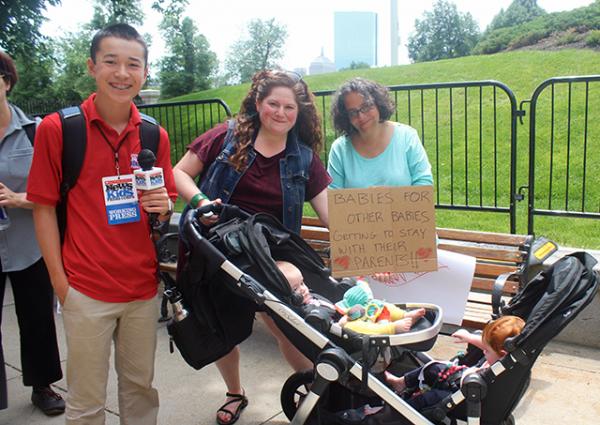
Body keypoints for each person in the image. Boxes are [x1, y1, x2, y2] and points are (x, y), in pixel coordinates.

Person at [26, 24, 176, 425]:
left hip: (142, 290)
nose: (122, 73)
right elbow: (42, 208)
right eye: (111, 62)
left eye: (133, 64)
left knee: (140, 391)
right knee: (86, 402)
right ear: (93, 66)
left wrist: (162, 207)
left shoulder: (152, 135)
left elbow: (162, 208)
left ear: (145, 72)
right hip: (86, 289)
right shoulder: (60, 129)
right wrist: (62, 285)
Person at [173, 70, 331, 425]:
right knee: (221, 328)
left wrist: (367, 240)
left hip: (269, 259)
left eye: (289, 106)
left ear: (299, 112)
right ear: (258, 104)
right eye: (273, 103)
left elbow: (330, 213)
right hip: (218, 253)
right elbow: (179, 172)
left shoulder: (303, 158)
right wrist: (200, 202)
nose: (280, 112)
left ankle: (316, 389)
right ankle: (234, 392)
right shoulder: (227, 137)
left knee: (289, 326)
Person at [0, 51, 65, 416]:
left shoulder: (36, 132)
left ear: (6, 82)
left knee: (37, 318)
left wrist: (19, 199)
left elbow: (57, 192)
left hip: (30, 243)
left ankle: (43, 386)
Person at [327, 78, 434, 283]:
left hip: (409, 241)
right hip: (360, 246)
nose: (361, 116)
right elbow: (334, 201)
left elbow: (424, 186)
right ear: (345, 117)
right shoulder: (340, 149)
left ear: (378, 103)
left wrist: (389, 199)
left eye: (366, 106)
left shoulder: (406, 137)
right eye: (353, 112)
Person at [384, 315, 525, 410]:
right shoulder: (505, 357)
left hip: (465, 396)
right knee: (432, 368)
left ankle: (398, 411)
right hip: (460, 381)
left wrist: (469, 373)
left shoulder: (502, 371)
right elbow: (489, 346)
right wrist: (469, 337)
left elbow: (477, 381)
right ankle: (401, 382)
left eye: (487, 351)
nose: (484, 351)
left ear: (503, 355)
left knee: (428, 398)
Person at [277, 261, 425, 335]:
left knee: (374, 303)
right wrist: (345, 319)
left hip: (353, 314)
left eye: (302, 283)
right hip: (344, 327)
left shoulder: (313, 296)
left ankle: (403, 314)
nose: (303, 289)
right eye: (296, 288)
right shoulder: (306, 311)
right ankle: (392, 328)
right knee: (354, 327)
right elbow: (330, 324)